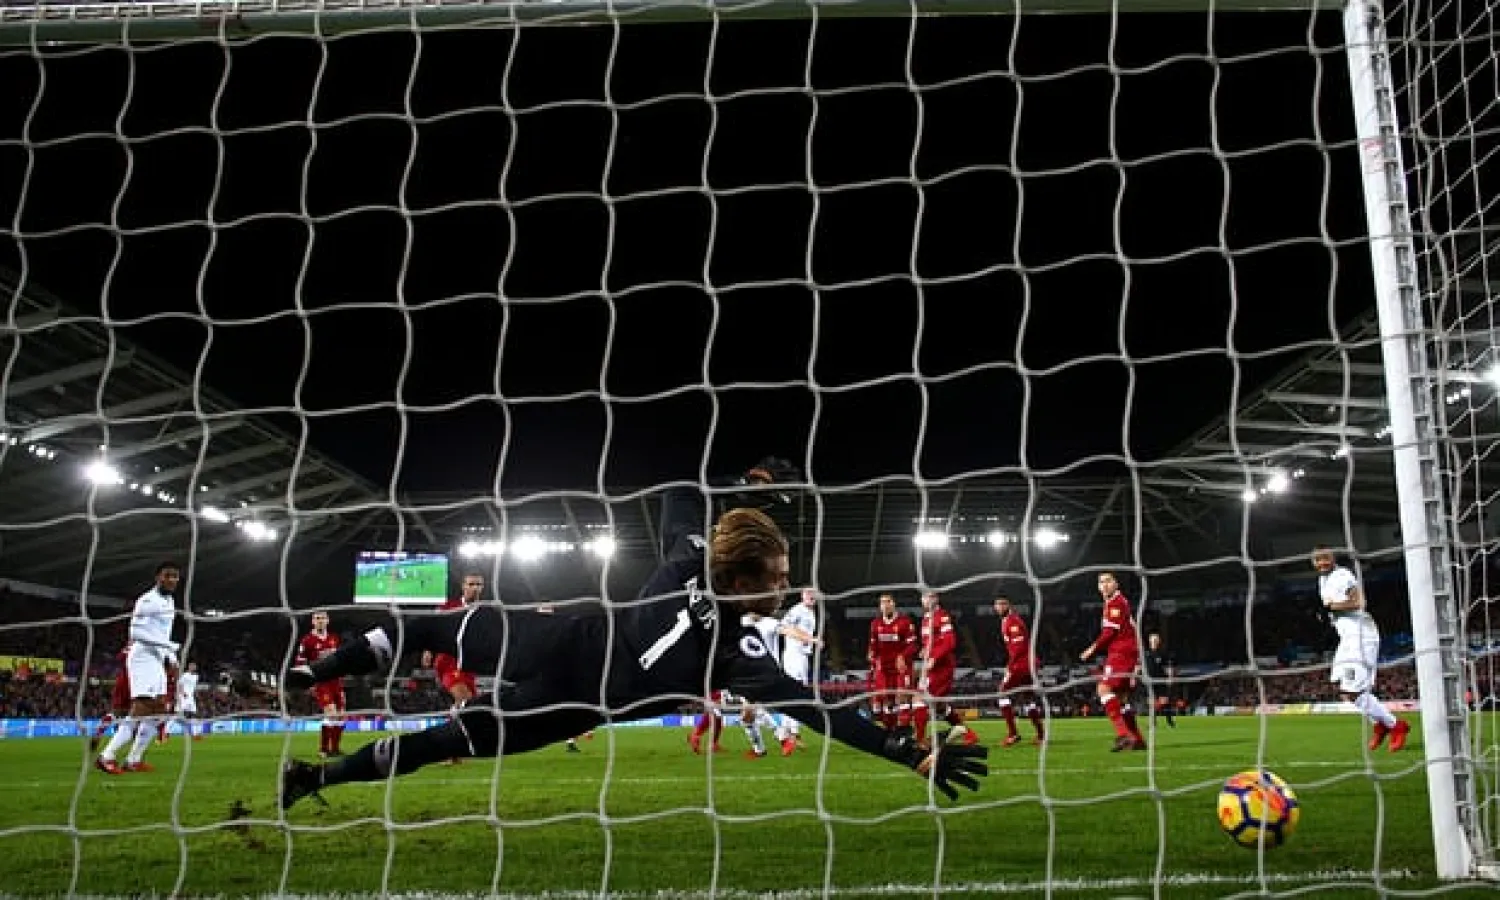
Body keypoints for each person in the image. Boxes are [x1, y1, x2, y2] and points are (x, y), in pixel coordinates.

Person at [276, 460, 987, 808]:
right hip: (569, 659)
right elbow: (822, 711)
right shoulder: (735, 654)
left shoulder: (691, 561)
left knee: (439, 736)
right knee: (436, 629)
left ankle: (314, 777)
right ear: (742, 581)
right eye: (778, 570)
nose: (786, 578)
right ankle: (314, 676)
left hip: (566, 687)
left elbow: (683, 490)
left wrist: (743, 485)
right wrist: (906, 754)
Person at [1313, 548, 1409, 751]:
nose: (1322, 563)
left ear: (1333, 559)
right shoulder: (1322, 581)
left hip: (1361, 637)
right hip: (1347, 639)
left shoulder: (1343, 575)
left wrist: (1330, 609)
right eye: (1317, 560)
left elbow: (1359, 602)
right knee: (1346, 693)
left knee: (1352, 691)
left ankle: (1396, 726)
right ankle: (1380, 725)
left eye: (1325, 559)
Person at [96, 562, 180, 775]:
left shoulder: (169, 600)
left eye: (175, 576)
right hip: (143, 658)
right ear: (157, 577)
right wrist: (166, 646)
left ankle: (134, 759)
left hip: (158, 658)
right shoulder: (147, 601)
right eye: (167, 575)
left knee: (160, 711)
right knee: (142, 708)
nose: (171, 580)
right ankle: (107, 756)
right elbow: (136, 633)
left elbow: (163, 633)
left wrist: (171, 656)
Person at [1079, 572, 1146, 752]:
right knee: (1122, 699)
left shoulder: (1116, 603)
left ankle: (1123, 735)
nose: (1105, 584)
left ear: (1116, 584)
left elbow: (1109, 634)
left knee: (1103, 689)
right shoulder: (1116, 602)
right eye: (1101, 582)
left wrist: (1091, 649)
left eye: (1109, 581)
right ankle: (1138, 739)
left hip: (1121, 653)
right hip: (1127, 652)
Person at [993, 596, 1045, 746]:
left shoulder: (1013, 621)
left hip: (1021, 664)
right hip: (1027, 664)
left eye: (1002, 603)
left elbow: (1019, 648)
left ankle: (1013, 734)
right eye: (997, 604)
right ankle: (1041, 735)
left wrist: (1010, 666)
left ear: (1009, 605)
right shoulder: (1007, 620)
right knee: (1029, 699)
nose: (999, 607)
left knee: (1002, 693)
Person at [296, 611, 346, 757]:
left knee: (342, 716)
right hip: (321, 681)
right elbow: (300, 662)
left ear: (328, 620)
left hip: (336, 681)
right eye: (317, 618)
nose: (320, 621)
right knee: (331, 713)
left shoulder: (333, 638)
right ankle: (323, 749)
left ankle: (335, 749)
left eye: (323, 618)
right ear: (312, 621)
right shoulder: (307, 640)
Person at [866, 593, 917, 730]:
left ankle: (905, 730)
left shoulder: (905, 622)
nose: (885, 605)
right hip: (884, 668)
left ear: (894, 604)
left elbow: (912, 646)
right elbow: (874, 645)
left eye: (888, 602)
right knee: (887, 700)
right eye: (882, 603)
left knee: (902, 698)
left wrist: (902, 656)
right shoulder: (875, 624)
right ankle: (890, 729)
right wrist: (871, 653)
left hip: (901, 668)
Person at [1143, 633, 1176, 729]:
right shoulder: (1145, 653)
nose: (1154, 641)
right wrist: (1134, 676)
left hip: (1161, 680)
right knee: (1151, 703)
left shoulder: (1163, 653)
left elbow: (1168, 667)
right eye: (1153, 640)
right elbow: (1140, 665)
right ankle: (1153, 723)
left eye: (1156, 640)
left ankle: (1170, 722)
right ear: (1150, 641)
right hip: (1150, 681)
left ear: (1159, 641)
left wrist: (1170, 677)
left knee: (1165, 702)